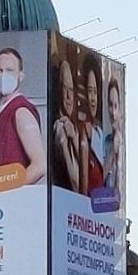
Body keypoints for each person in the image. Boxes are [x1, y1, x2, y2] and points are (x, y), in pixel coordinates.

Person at [0, 47, 45, 183]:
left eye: (9, 71)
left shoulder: (21, 112)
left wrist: (12, 192)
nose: (3, 76)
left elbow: (40, 166)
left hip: (11, 200)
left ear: (20, 76)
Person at [51, 58, 81, 192]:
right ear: (58, 90)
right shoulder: (60, 127)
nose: (69, 97)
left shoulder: (72, 127)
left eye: (71, 90)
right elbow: (76, 182)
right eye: (65, 89)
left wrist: (75, 139)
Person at [79, 53, 105, 195]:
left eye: (95, 92)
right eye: (89, 91)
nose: (93, 99)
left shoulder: (99, 132)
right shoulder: (82, 132)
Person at [103, 76, 123, 199]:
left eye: (116, 106)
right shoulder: (107, 142)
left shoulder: (124, 145)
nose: (113, 112)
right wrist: (112, 153)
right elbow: (99, 182)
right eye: (110, 105)